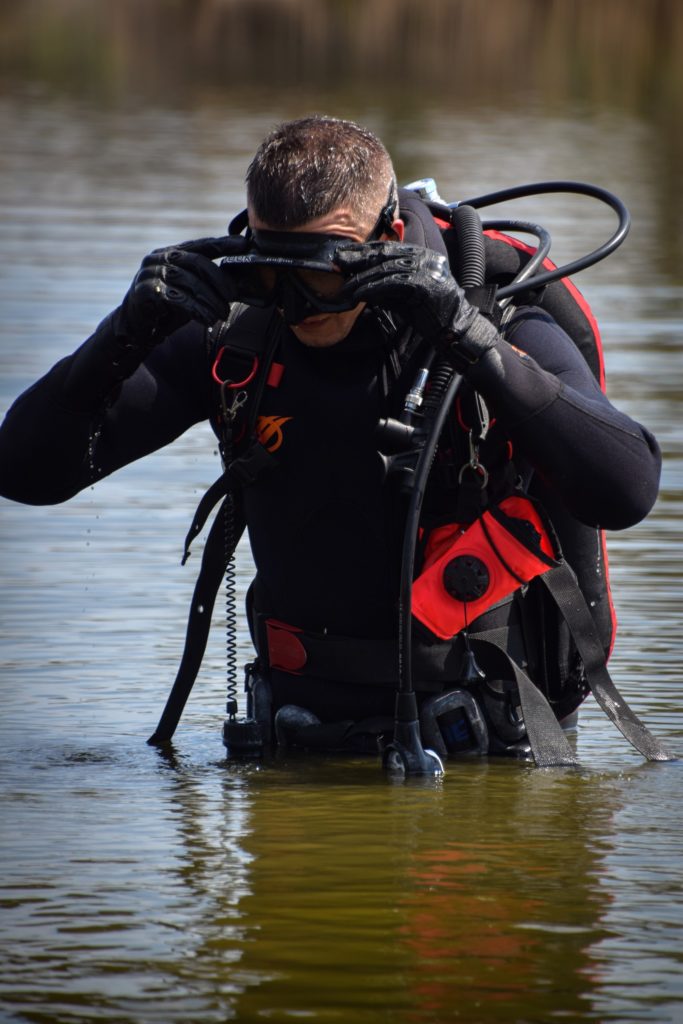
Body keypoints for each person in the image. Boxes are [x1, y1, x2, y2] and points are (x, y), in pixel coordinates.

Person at [0, 115, 663, 761]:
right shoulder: (237, 339)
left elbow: (626, 489)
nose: (296, 305)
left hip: (489, 755)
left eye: (320, 275)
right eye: (270, 274)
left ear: (387, 236)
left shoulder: (497, 316)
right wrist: (122, 334)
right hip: (297, 751)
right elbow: (25, 472)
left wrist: (470, 340)